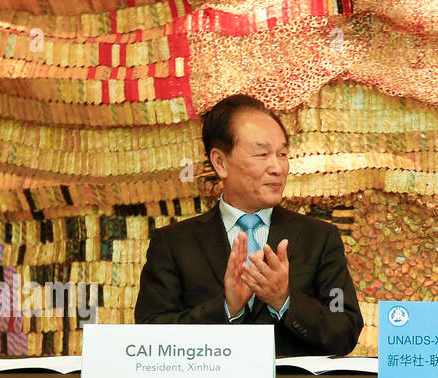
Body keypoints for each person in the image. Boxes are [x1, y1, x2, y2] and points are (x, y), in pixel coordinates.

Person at [135, 94, 363, 357]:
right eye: (262, 154)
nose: (277, 167)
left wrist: (284, 300)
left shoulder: (320, 238)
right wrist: (227, 308)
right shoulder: (174, 244)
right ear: (220, 162)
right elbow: (150, 334)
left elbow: (344, 330)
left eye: (282, 154)